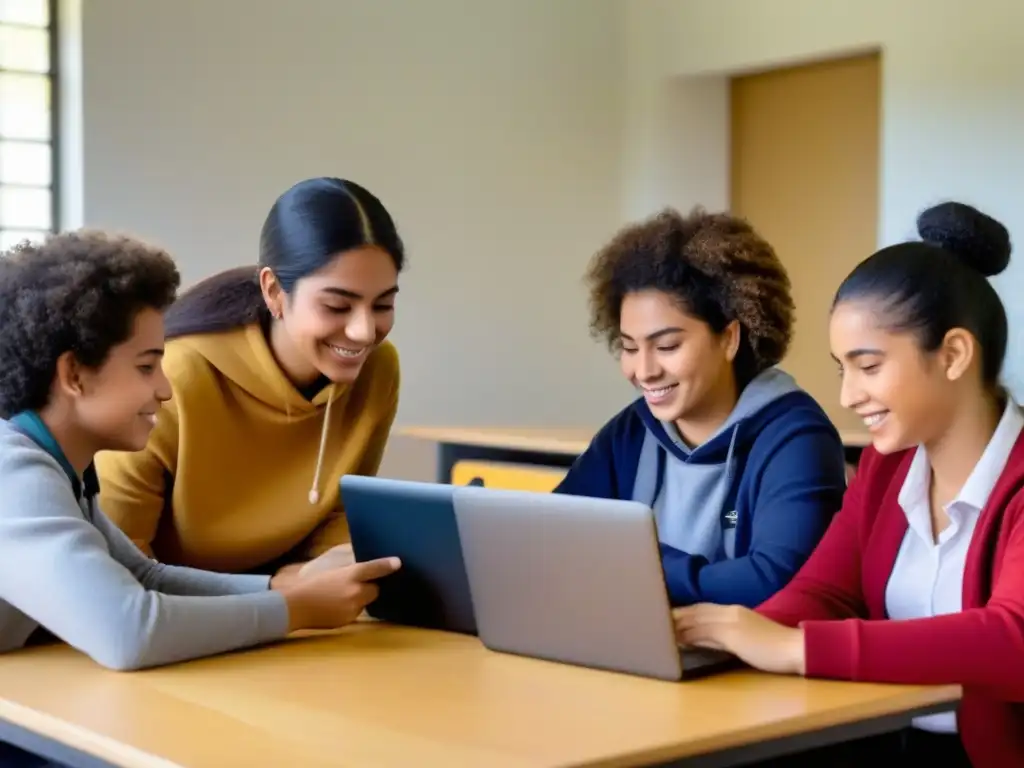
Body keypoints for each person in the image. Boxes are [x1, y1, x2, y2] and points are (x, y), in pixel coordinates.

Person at [674, 201, 1022, 767]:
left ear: (954, 354)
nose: (848, 396)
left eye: (869, 365)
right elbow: (826, 592)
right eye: (843, 369)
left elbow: (1012, 639)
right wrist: (721, 635)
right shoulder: (887, 468)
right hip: (889, 742)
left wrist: (795, 647)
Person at [0, 230, 401, 677]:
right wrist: (295, 608)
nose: (165, 388)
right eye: (147, 366)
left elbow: (143, 576)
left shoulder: (57, 467)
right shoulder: (14, 474)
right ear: (74, 373)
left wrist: (283, 585)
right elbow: (129, 631)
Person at [94, 177, 403, 581]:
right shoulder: (173, 378)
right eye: (336, 306)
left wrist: (327, 584)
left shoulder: (377, 370)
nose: (364, 332)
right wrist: (281, 592)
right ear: (274, 291)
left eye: (383, 304)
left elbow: (340, 518)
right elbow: (119, 565)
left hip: (291, 616)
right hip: (177, 619)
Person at [554, 207, 848, 608]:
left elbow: (775, 581)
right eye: (628, 347)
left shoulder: (796, 439)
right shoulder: (632, 431)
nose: (644, 371)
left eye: (667, 346)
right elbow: (555, 537)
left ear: (729, 338)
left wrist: (630, 558)